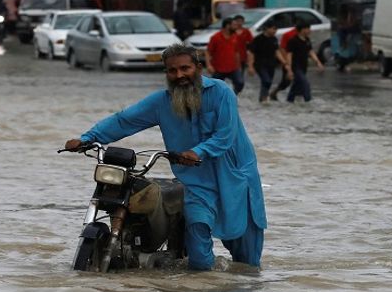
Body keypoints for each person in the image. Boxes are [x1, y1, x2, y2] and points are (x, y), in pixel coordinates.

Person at [64, 44, 267, 270]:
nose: (179, 75)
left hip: (237, 178)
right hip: (197, 182)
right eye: (172, 70)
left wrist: (197, 151)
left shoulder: (221, 92)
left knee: (247, 260)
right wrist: (87, 138)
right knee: (198, 241)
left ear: (198, 68)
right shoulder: (161, 102)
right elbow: (124, 120)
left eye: (185, 68)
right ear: (166, 73)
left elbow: (225, 135)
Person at [247, 21, 288, 103]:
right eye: (273, 29)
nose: (275, 31)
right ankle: (264, 98)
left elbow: (277, 52)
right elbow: (251, 53)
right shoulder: (258, 39)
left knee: (267, 82)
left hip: (271, 65)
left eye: (276, 29)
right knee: (266, 80)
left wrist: (284, 62)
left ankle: (263, 98)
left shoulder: (274, 39)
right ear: (267, 29)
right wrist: (250, 66)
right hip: (260, 65)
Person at [285, 21, 324, 103]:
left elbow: (311, 52)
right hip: (295, 67)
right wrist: (289, 69)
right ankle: (308, 101)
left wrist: (318, 62)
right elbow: (289, 55)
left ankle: (289, 101)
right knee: (305, 84)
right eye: (307, 28)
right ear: (301, 30)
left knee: (296, 86)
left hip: (304, 66)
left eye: (309, 28)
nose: (309, 30)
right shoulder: (293, 41)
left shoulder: (307, 40)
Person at [205, 18, 243, 94]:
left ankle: (231, 96)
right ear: (227, 26)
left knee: (240, 83)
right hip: (218, 68)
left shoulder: (235, 37)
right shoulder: (216, 37)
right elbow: (208, 52)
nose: (236, 27)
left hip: (233, 67)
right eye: (234, 25)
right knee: (214, 88)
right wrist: (209, 65)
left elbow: (237, 52)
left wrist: (239, 66)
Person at [268, 24, 299, 101]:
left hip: (299, 62)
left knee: (299, 80)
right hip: (288, 61)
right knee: (286, 82)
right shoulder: (288, 35)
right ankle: (274, 93)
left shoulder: (304, 35)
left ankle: (293, 99)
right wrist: (286, 62)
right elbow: (282, 48)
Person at [233, 14, 254, 88]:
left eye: (241, 21)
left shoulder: (246, 31)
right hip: (232, 57)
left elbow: (251, 43)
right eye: (237, 21)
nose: (239, 23)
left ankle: (237, 88)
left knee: (240, 74)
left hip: (243, 56)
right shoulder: (231, 31)